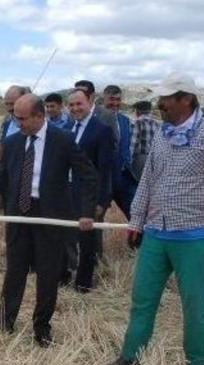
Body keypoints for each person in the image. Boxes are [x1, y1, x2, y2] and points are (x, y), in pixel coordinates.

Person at [103, 73, 204, 365]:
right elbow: (148, 180)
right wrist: (136, 220)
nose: (160, 103)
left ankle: (196, 362)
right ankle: (130, 354)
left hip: (194, 236)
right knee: (142, 299)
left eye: (166, 98)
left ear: (186, 99)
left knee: (195, 304)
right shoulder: (162, 134)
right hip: (156, 233)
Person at [0, 94, 98, 347]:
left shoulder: (63, 140)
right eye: (15, 117)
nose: (18, 123)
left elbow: (88, 176)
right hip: (18, 214)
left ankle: (42, 329)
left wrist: (87, 212)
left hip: (50, 217)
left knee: (48, 275)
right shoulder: (12, 142)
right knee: (15, 271)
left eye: (23, 119)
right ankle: (5, 323)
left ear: (39, 116)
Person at [64, 88, 113, 292]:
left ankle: (83, 285)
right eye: (71, 105)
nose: (75, 108)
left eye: (79, 104)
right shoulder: (67, 128)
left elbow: (105, 169)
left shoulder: (101, 130)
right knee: (64, 236)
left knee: (87, 242)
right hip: (66, 192)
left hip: (88, 196)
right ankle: (63, 277)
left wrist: (101, 201)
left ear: (90, 103)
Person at [97, 85, 135, 219]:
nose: (115, 103)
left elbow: (126, 146)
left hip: (123, 178)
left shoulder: (124, 120)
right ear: (104, 99)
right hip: (102, 180)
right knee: (95, 220)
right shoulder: (95, 120)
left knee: (136, 216)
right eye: (112, 99)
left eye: (118, 99)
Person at [129, 100, 158, 182]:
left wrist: (128, 161)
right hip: (154, 158)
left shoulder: (138, 123)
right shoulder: (156, 123)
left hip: (141, 159)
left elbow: (133, 144)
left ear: (138, 111)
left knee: (137, 182)